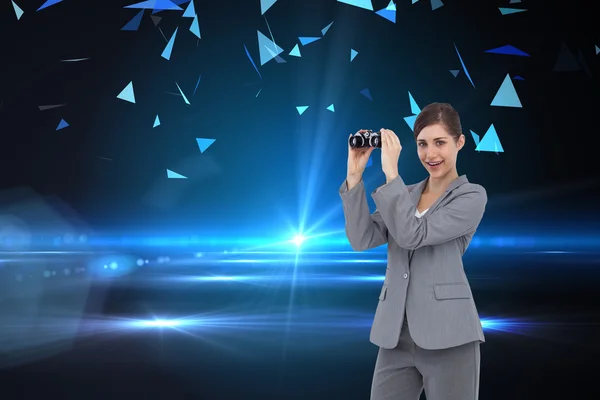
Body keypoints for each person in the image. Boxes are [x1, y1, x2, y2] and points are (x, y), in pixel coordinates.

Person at [339, 102, 487, 400]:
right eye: (422, 144)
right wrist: (355, 176)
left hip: (449, 335)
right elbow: (362, 239)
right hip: (395, 334)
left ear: (460, 142)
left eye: (440, 143)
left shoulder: (471, 196)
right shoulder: (405, 195)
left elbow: (413, 234)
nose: (430, 154)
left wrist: (391, 173)